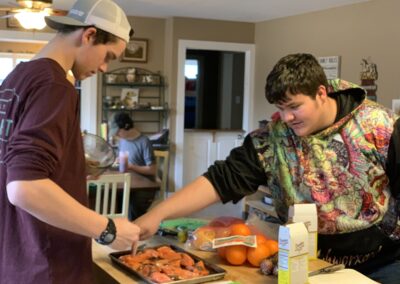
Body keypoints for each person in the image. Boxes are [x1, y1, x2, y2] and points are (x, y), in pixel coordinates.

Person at [135, 53, 400, 283]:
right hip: (308, 261)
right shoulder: (271, 139)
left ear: (321, 93)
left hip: (385, 262)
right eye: (280, 108)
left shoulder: (381, 126)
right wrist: (159, 214)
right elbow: (221, 180)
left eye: (295, 107)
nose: (286, 118)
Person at [0, 0, 141, 283]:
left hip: (16, 255)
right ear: (89, 35)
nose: (103, 67)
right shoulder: (55, 86)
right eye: (108, 56)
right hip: (47, 262)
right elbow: (25, 187)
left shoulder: (16, 78)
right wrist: (108, 228)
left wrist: (69, 167)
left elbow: (14, 162)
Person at [110, 111, 157, 220]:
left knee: (134, 215)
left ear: (126, 126)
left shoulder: (144, 142)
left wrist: (131, 166)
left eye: (118, 132)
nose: (116, 135)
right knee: (114, 200)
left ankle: (137, 230)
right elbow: (122, 159)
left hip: (143, 188)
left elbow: (152, 170)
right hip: (129, 183)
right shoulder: (123, 140)